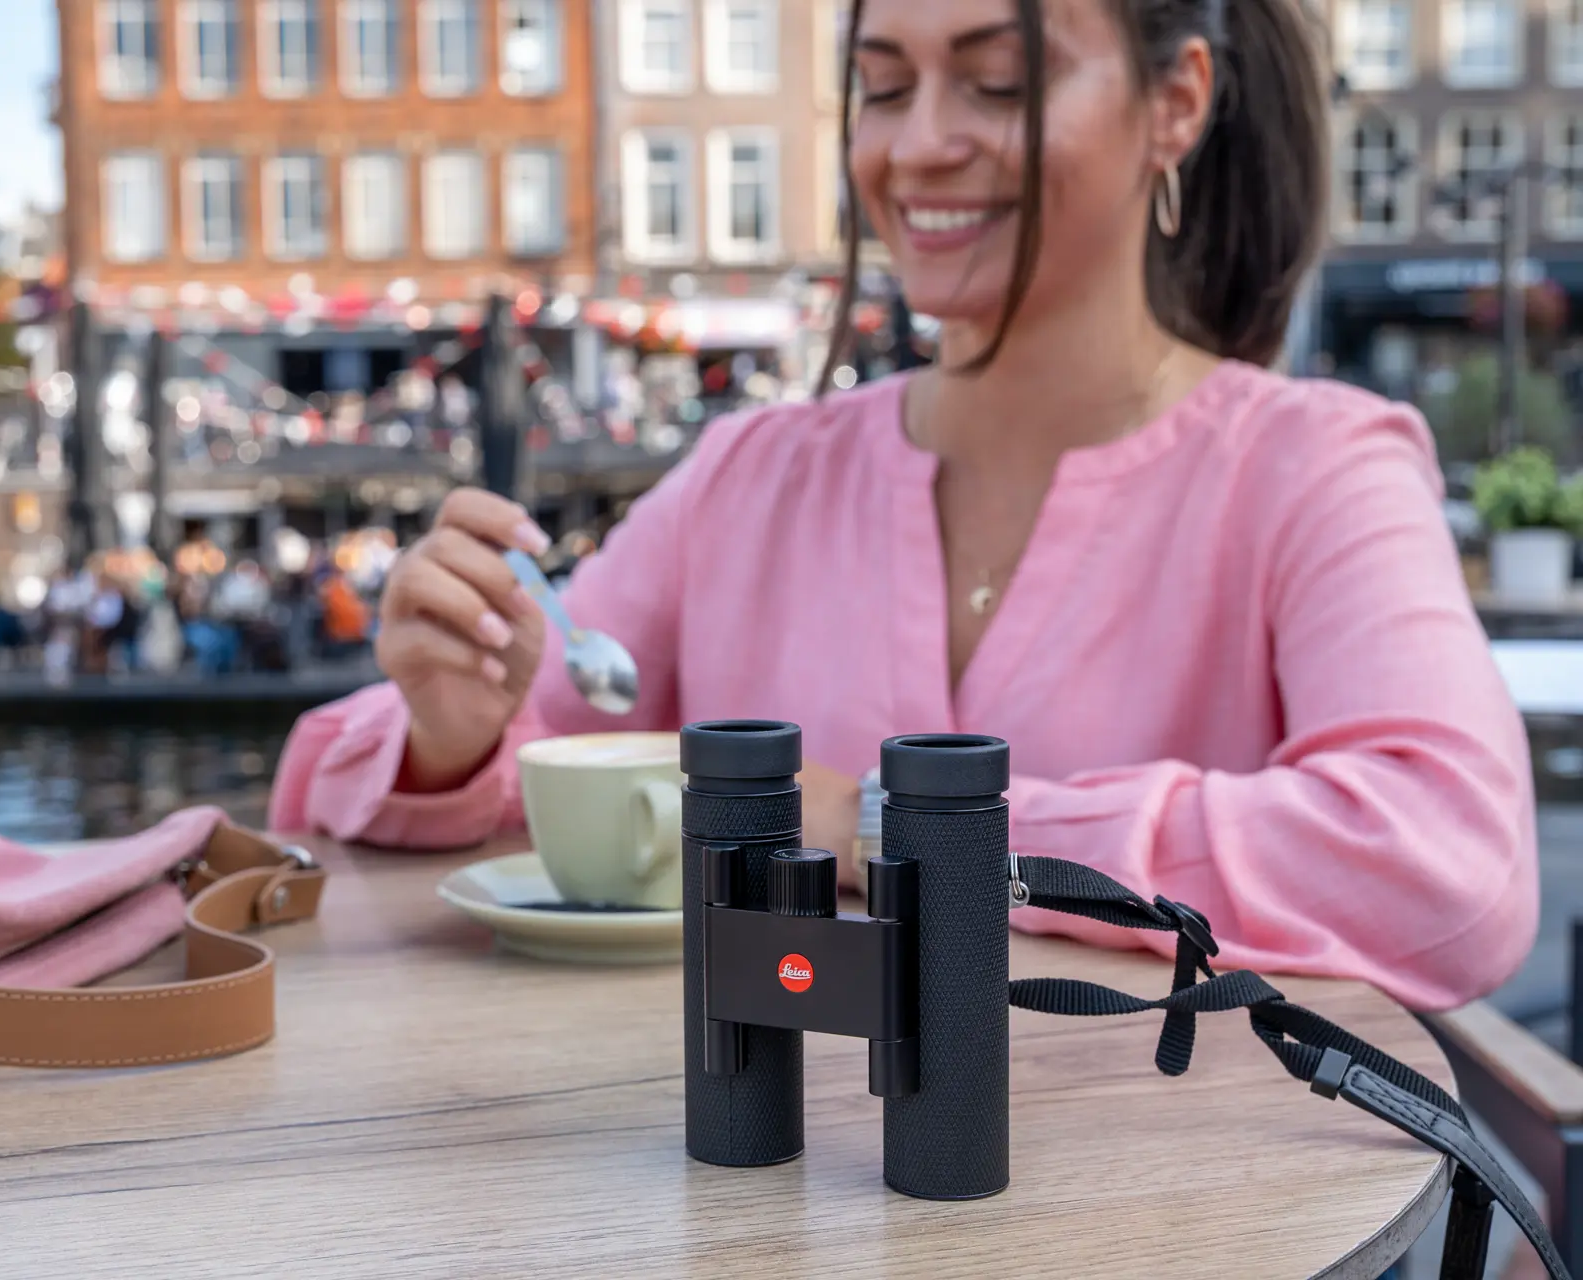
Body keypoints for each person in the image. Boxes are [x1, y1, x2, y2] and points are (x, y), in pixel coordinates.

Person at [267, 0, 1537, 1014]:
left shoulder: (1316, 465)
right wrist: (450, 725)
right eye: (882, 85)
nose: (920, 141)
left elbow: (1448, 866)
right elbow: (366, 781)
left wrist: (894, 827)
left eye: (998, 81)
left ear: (1176, 104)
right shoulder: (744, 477)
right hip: (759, 1212)